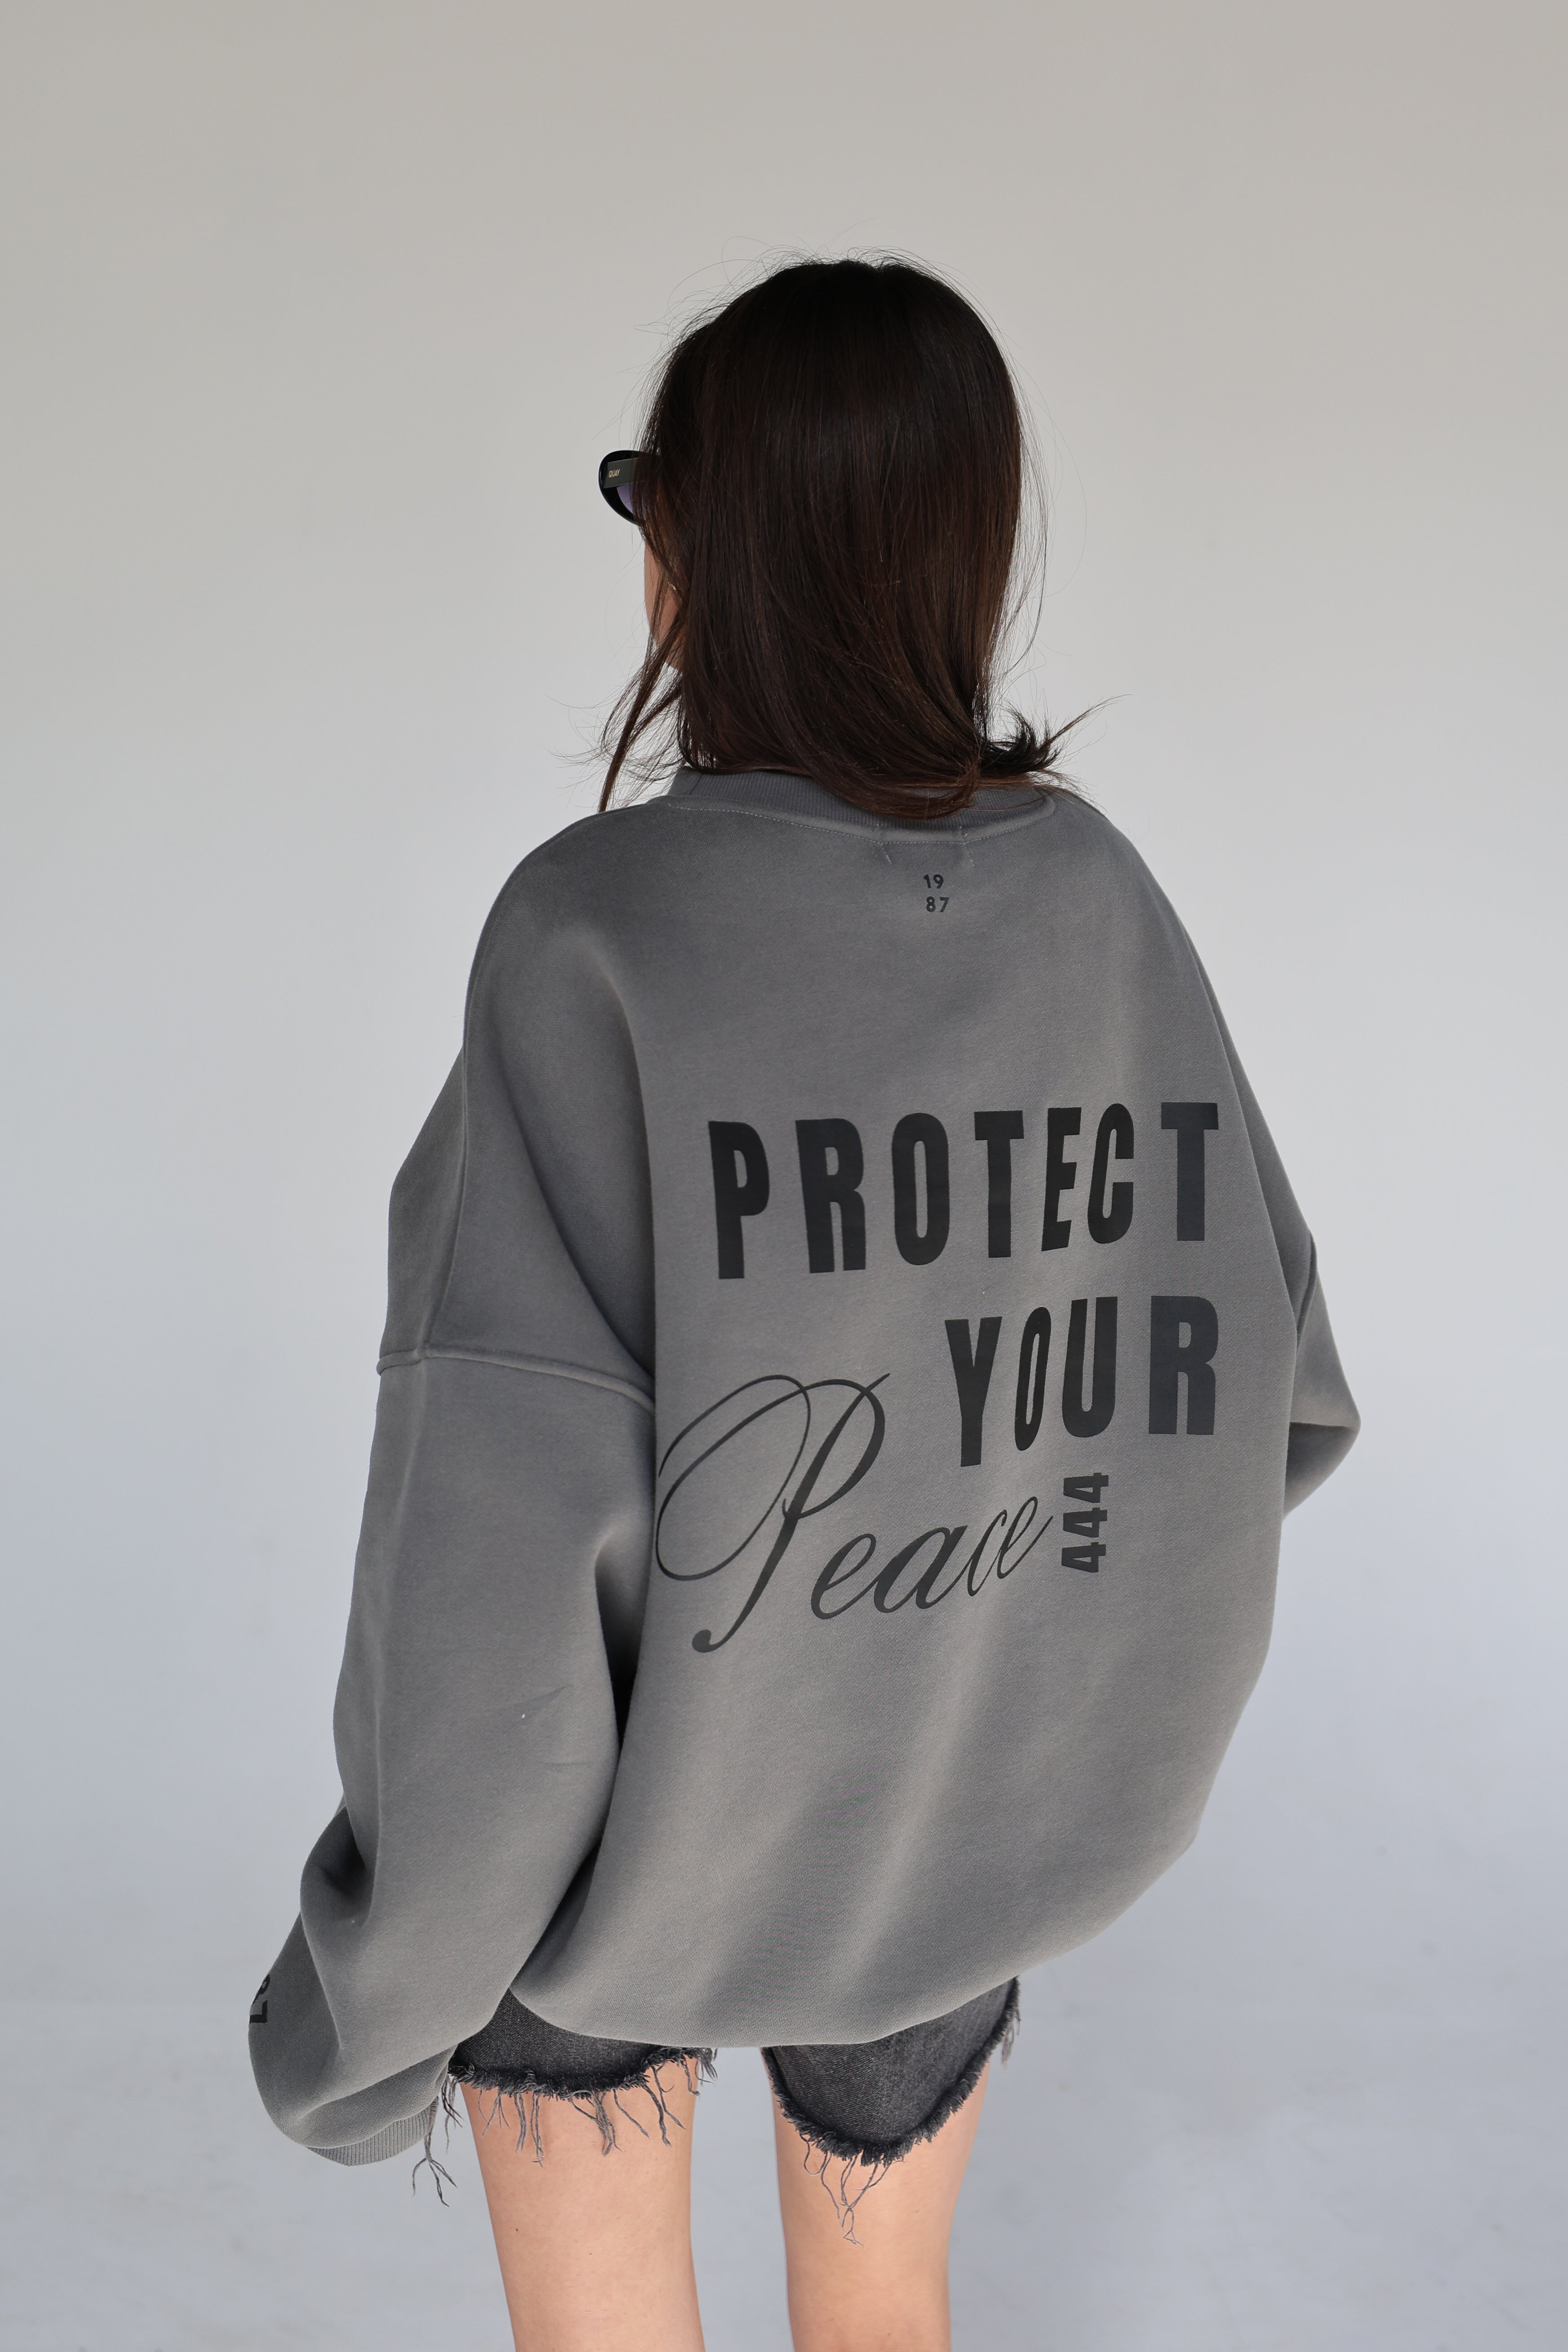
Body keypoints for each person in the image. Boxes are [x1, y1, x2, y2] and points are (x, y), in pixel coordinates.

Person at [249, 255, 1359, 2352]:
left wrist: (355, 2021)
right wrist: (976, 1649)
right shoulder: (1102, 905)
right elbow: (1266, 1400)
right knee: (886, 2319)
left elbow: (488, 1589)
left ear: (702, 548)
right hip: (951, 1854)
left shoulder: (592, 936)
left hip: (602, 1893)